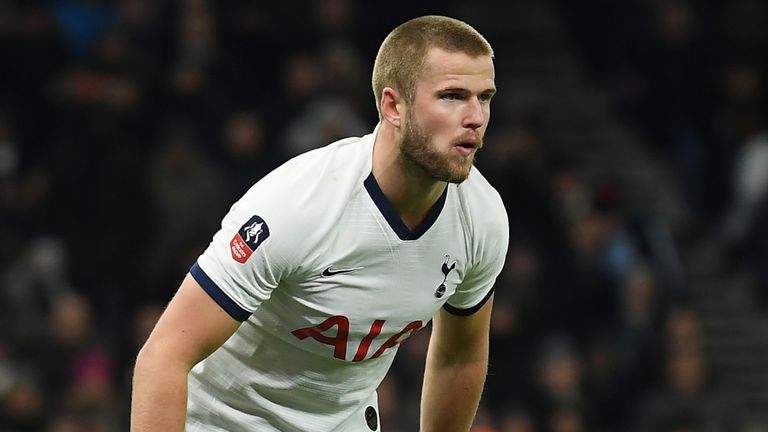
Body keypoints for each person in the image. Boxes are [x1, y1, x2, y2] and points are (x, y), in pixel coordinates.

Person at [131, 15, 508, 432]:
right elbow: (164, 356)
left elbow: (461, 358)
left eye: (485, 97)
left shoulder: (482, 218)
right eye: (452, 96)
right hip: (224, 420)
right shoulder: (297, 205)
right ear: (393, 106)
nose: (476, 116)